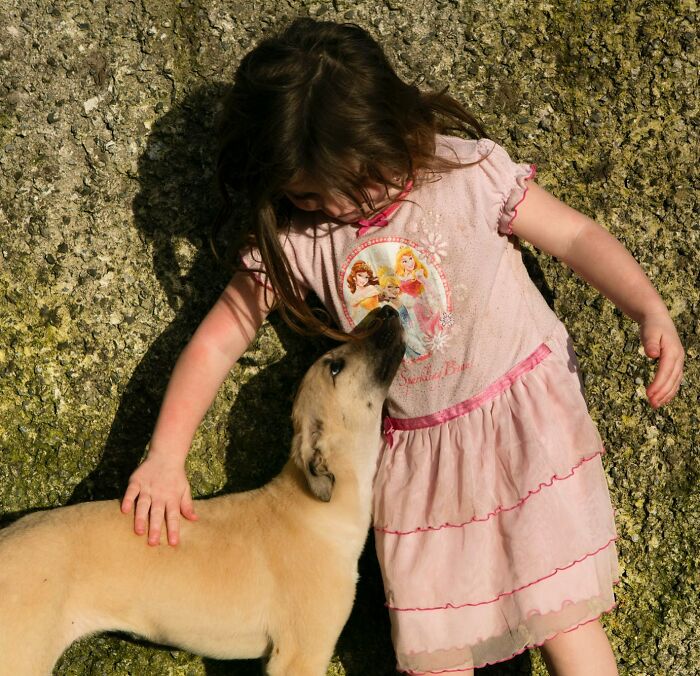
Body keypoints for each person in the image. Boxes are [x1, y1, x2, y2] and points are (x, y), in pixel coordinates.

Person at [119, 17, 685, 675]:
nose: (340, 208)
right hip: (420, 458)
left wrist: (646, 306)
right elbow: (217, 343)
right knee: (437, 650)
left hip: (518, 428)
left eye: (359, 183)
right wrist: (165, 456)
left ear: (394, 127)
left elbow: (575, 236)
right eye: (308, 195)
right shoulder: (304, 241)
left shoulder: (465, 175)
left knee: (566, 619)